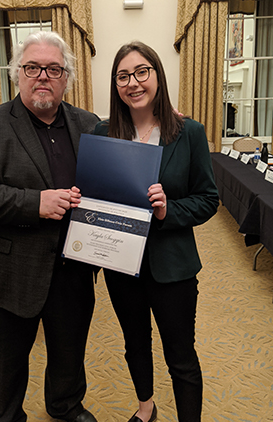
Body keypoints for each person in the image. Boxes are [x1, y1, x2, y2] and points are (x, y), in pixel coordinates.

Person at [0, 31, 100, 422]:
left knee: (69, 354)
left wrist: (167, 118)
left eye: (53, 69)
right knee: (2, 372)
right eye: (32, 67)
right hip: (7, 275)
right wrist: (36, 203)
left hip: (73, 269)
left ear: (67, 77)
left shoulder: (90, 124)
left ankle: (65, 404)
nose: (42, 76)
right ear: (17, 74)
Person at [93, 41, 219, 422]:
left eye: (141, 71)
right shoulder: (103, 132)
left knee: (181, 353)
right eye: (123, 76)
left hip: (173, 267)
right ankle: (146, 408)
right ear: (116, 85)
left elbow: (208, 199)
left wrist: (168, 211)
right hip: (120, 265)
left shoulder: (189, 132)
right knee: (135, 344)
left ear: (157, 76)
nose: (133, 82)